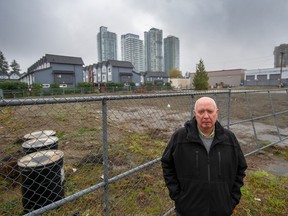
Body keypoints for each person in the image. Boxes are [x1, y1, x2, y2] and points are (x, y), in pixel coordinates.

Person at [161, 96, 247, 216]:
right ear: (195, 113)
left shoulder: (229, 139)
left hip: (221, 209)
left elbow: (241, 168)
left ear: (216, 113)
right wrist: (178, 197)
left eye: (210, 111)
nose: (206, 116)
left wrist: (232, 199)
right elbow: (167, 164)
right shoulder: (180, 137)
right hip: (188, 210)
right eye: (201, 112)